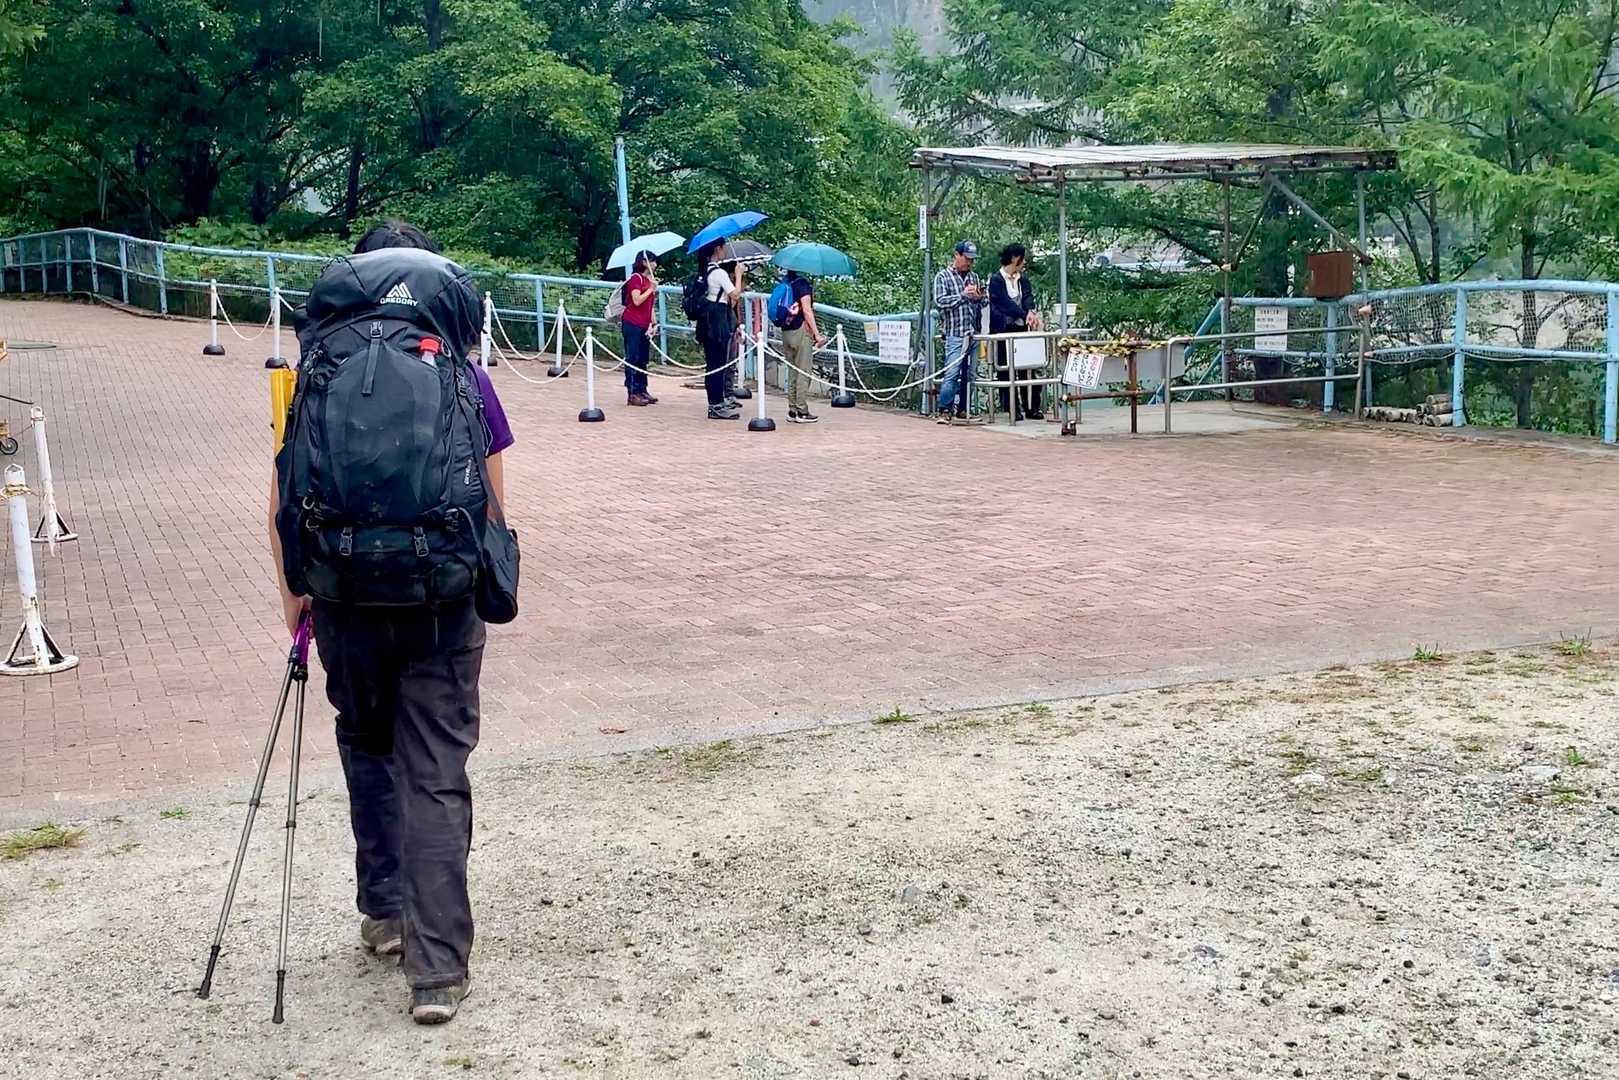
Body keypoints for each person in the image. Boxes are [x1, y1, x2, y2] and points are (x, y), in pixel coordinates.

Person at [268, 219, 513, 1025]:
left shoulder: (312, 373)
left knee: (367, 745)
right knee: (434, 769)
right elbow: (490, 500)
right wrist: (487, 576)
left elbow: (284, 493)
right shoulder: (463, 374)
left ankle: (383, 911)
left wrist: (296, 593)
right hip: (440, 597)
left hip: (341, 594)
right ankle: (436, 973)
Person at [989, 242, 1045, 421]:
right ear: (1014, 259)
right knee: (1005, 371)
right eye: (1022, 258)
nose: (1024, 262)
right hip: (1003, 329)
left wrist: (1030, 312)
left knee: (1028, 368)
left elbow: (1028, 297)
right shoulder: (996, 280)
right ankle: (1013, 408)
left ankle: (1032, 407)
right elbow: (1004, 302)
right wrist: (1023, 313)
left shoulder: (1023, 280)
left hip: (1022, 328)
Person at [932, 241, 984, 424]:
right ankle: (944, 409)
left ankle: (964, 408)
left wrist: (978, 297)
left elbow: (983, 302)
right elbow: (940, 302)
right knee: (952, 372)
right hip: (955, 333)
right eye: (966, 258)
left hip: (973, 333)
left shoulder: (974, 277)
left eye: (972, 260)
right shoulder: (943, 276)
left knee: (971, 373)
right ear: (957, 255)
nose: (969, 263)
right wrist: (963, 295)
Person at [697, 242, 742, 419]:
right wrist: (738, 275)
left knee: (712, 363)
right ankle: (716, 405)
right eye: (723, 247)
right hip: (717, 320)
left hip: (706, 320)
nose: (724, 251)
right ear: (717, 249)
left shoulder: (704, 271)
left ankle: (716, 402)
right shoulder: (719, 273)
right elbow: (735, 294)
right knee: (717, 364)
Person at [779, 270, 825, 423]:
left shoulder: (785, 282)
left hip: (786, 331)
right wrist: (817, 335)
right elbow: (807, 310)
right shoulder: (802, 284)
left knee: (792, 371)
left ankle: (792, 410)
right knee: (803, 371)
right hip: (800, 331)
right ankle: (802, 411)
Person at [621, 252, 659, 407]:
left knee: (643, 358)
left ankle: (642, 388)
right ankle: (632, 392)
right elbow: (636, 300)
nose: (655, 265)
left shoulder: (649, 281)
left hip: (644, 324)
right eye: (653, 261)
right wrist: (650, 289)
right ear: (644, 262)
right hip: (632, 322)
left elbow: (650, 305)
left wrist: (654, 323)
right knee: (633, 357)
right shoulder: (636, 279)